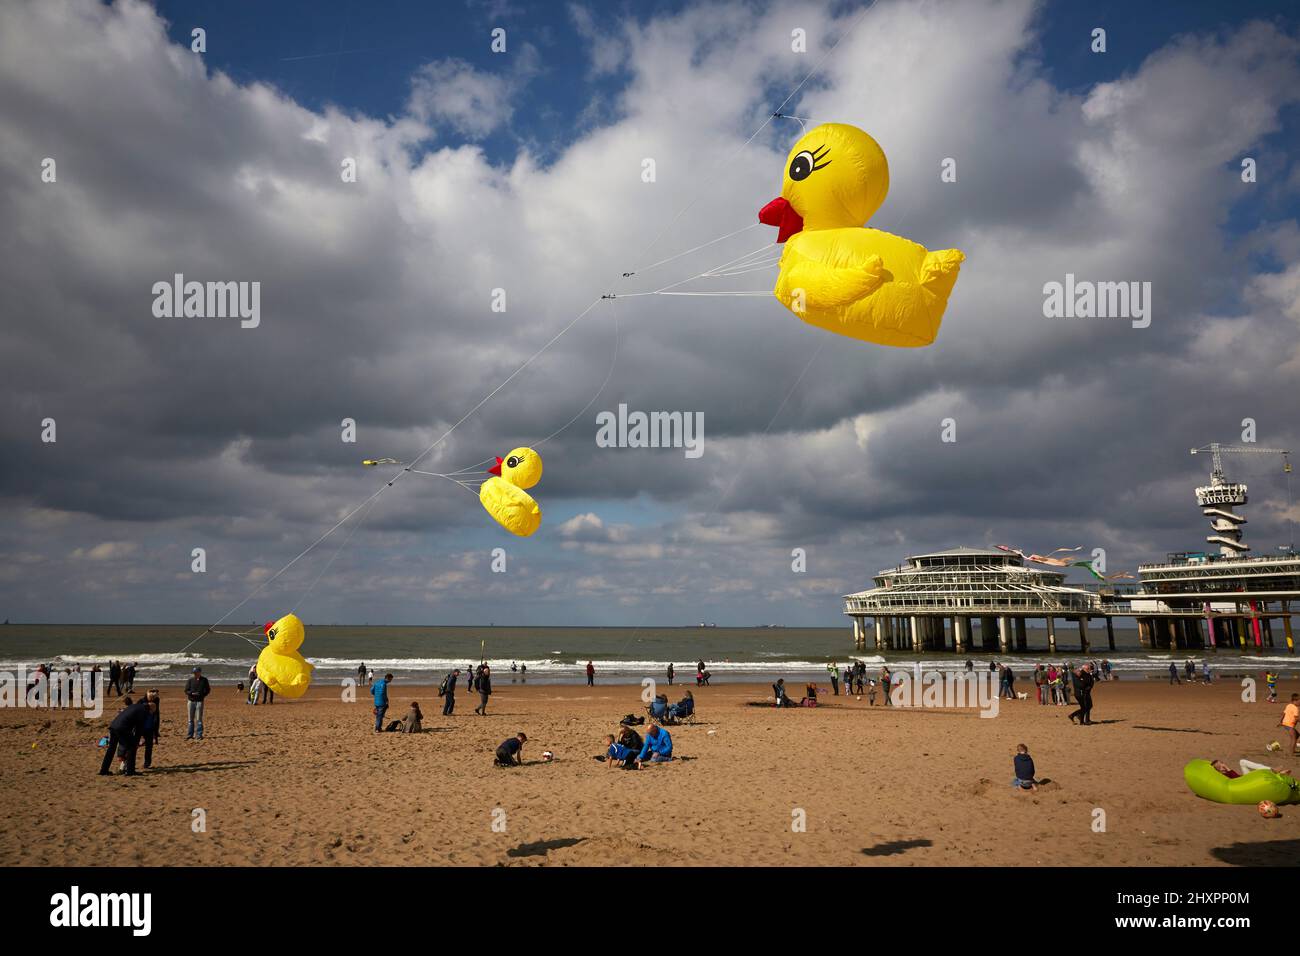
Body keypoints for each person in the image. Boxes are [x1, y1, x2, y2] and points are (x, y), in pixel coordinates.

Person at [98, 697, 154, 776]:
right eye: (151, 712)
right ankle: (130, 771)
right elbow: (139, 729)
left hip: (113, 726)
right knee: (132, 747)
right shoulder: (143, 712)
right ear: (150, 710)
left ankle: (103, 770)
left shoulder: (135, 706)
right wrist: (136, 742)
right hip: (122, 729)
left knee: (111, 749)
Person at [184, 667, 210, 739]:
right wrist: (191, 693)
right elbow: (186, 690)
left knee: (199, 719)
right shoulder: (190, 680)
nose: (195, 674)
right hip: (191, 701)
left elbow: (208, 690)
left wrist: (202, 695)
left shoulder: (204, 680)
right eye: (194, 672)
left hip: (199, 701)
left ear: (199, 672)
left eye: (196, 672)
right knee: (190, 719)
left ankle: (199, 734)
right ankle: (190, 734)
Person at [140, 689, 161, 769]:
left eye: (154, 699)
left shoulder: (156, 701)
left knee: (149, 746)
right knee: (135, 746)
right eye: (151, 699)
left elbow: (157, 718)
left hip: (150, 728)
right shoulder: (141, 701)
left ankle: (147, 763)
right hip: (141, 727)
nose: (153, 700)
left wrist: (155, 735)